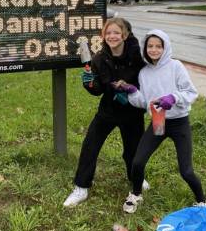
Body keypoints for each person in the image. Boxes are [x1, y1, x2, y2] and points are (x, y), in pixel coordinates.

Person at [116, 29, 206, 214]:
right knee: (138, 162)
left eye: (158, 46)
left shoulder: (176, 66)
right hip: (158, 122)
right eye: (150, 46)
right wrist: (132, 92)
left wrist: (173, 98)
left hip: (178, 122)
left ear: (165, 47)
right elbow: (144, 102)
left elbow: (191, 93)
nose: (154, 50)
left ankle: (203, 201)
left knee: (186, 171)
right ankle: (136, 194)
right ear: (145, 48)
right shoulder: (144, 73)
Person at [63, 18, 147, 207]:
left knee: (133, 151)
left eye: (116, 32)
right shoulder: (99, 59)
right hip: (108, 110)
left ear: (124, 35)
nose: (112, 36)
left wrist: (133, 94)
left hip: (133, 111)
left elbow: (147, 81)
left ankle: (136, 180)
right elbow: (98, 90)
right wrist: (89, 83)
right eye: (108, 33)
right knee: (90, 146)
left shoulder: (138, 57)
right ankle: (81, 187)